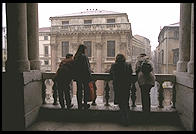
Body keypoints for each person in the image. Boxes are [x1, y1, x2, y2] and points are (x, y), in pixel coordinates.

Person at [109, 54, 133, 126]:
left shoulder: (114, 65)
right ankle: (127, 119)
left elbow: (111, 73)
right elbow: (131, 73)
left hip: (118, 86)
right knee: (126, 102)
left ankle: (123, 119)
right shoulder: (128, 65)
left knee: (121, 103)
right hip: (126, 86)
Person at [74, 44, 91, 110]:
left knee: (79, 90)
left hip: (78, 76)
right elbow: (87, 67)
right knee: (86, 90)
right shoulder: (84, 57)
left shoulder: (76, 56)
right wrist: (89, 76)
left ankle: (79, 104)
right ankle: (85, 103)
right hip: (84, 76)